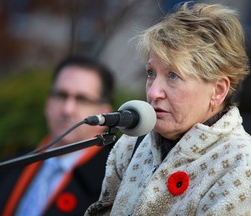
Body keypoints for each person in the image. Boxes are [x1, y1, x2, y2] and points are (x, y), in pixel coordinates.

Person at [84, 2, 251, 215]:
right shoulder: (130, 143)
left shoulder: (242, 164)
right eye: (151, 73)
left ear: (218, 91)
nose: (153, 93)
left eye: (173, 75)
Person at [0, 55, 115, 216]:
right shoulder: (10, 167)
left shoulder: (112, 184)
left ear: (105, 114)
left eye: (82, 99)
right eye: (61, 95)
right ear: (47, 103)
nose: (67, 109)